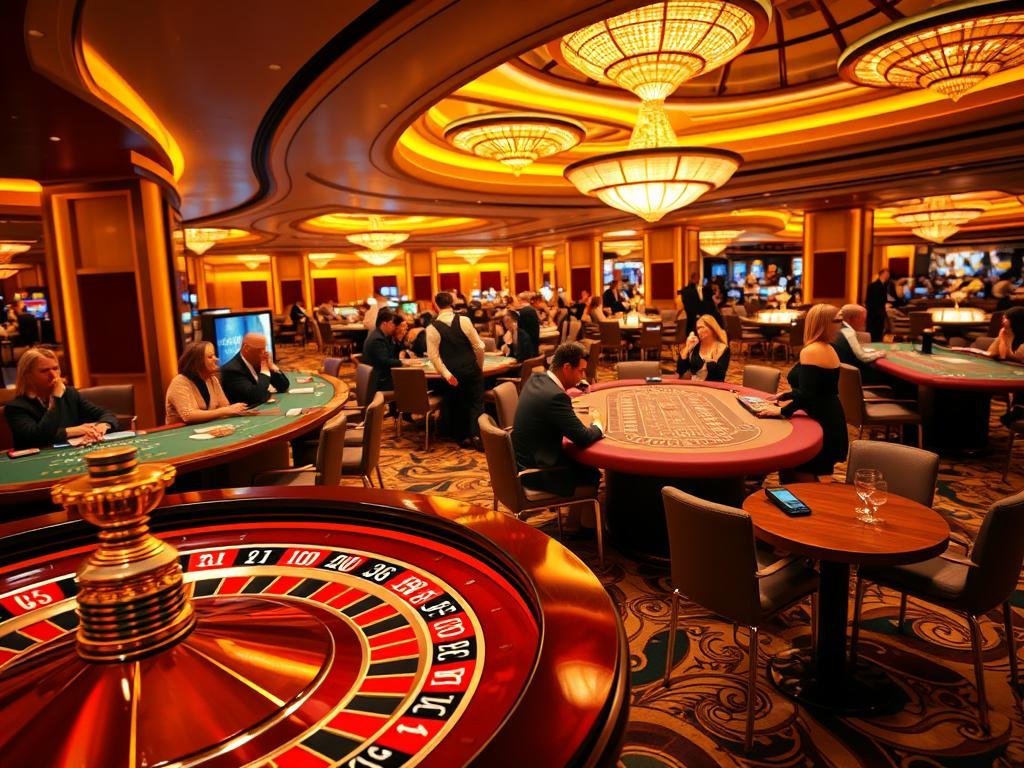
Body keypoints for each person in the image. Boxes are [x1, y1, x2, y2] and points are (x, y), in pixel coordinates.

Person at [756, 303, 847, 483]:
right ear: (823, 323)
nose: (840, 325)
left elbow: (808, 395)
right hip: (827, 414)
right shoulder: (824, 347)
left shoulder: (812, 350)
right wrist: (787, 395)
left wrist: (782, 411)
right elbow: (815, 388)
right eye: (837, 320)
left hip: (822, 420)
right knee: (795, 470)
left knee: (800, 473)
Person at [512, 341, 604, 496]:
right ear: (567, 368)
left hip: (523, 461)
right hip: (537, 473)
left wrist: (576, 383)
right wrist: (598, 423)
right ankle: (581, 520)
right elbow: (583, 437)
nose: (583, 376)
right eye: (580, 371)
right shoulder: (556, 397)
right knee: (591, 472)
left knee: (586, 467)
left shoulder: (536, 378)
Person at [4, 348, 118, 449]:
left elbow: (106, 414)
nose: (54, 375)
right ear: (27, 375)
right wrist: (56, 399)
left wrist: (102, 426)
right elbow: (38, 437)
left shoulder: (69, 394)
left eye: (55, 368)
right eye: (44, 371)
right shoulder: (16, 407)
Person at [426, 291, 486, 449]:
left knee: (457, 403)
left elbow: (434, 357)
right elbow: (479, 347)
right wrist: (479, 365)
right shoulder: (464, 320)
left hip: (451, 372)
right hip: (470, 368)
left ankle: (462, 438)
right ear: (452, 302)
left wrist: (446, 374)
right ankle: (477, 436)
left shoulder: (431, 328)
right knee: (476, 403)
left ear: (435, 305)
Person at [165, 340, 251, 424]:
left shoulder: (212, 379)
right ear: (197, 363)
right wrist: (225, 410)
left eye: (214, 355)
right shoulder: (179, 382)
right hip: (179, 433)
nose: (216, 359)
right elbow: (188, 415)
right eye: (210, 357)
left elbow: (224, 406)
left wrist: (233, 410)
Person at [220, 332, 290, 407]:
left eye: (265, 348)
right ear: (246, 348)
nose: (264, 353)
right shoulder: (231, 370)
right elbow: (256, 397)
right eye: (260, 349)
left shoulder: (258, 360)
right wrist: (265, 371)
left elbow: (284, 386)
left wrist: (271, 366)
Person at [834, 304, 887, 385]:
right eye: (862, 319)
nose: (864, 323)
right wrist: (880, 353)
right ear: (851, 318)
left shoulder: (837, 327)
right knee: (894, 378)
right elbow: (862, 357)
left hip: (841, 375)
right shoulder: (848, 332)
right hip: (855, 376)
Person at [676, 314, 730, 382]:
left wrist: (710, 363)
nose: (699, 331)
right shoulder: (695, 346)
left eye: (702, 327)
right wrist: (687, 347)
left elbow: (720, 375)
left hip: (713, 388)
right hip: (694, 386)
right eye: (698, 328)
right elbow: (680, 370)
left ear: (712, 328)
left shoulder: (722, 348)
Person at [363, 308, 402, 396]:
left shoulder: (382, 336)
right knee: (408, 383)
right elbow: (386, 361)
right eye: (393, 324)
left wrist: (397, 339)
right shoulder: (377, 339)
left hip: (381, 376)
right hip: (379, 381)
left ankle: (398, 409)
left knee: (406, 381)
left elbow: (392, 356)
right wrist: (403, 363)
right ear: (384, 324)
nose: (395, 327)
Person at [864, 268, 895, 342]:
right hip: (875, 314)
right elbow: (871, 301)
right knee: (875, 334)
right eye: (887, 274)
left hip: (878, 313)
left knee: (878, 333)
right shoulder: (874, 285)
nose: (888, 276)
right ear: (882, 274)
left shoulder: (882, 285)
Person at [679, 272, 702, 339]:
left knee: (689, 332)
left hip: (688, 314)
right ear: (694, 278)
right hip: (694, 315)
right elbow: (698, 303)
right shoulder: (695, 290)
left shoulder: (684, 289)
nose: (699, 280)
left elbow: (684, 301)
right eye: (698, 278)